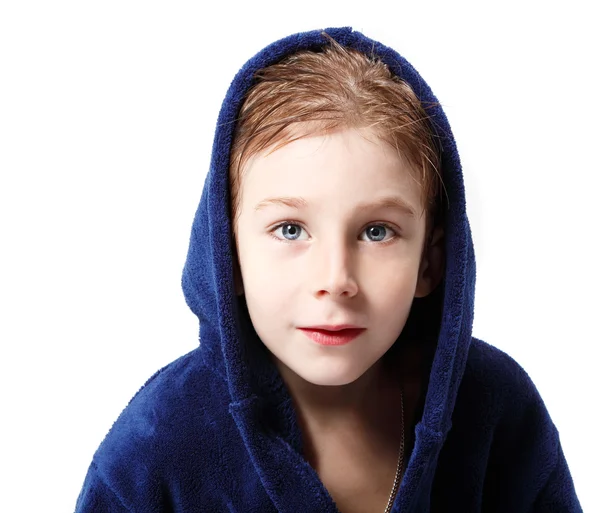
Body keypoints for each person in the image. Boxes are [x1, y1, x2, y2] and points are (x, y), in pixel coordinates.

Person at [74, 27, 582, 512]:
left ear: (430, 261)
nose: (336, 280)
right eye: (290, 229)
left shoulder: (497, 409)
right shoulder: (157, 448)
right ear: (227, 256)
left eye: (377, 231)